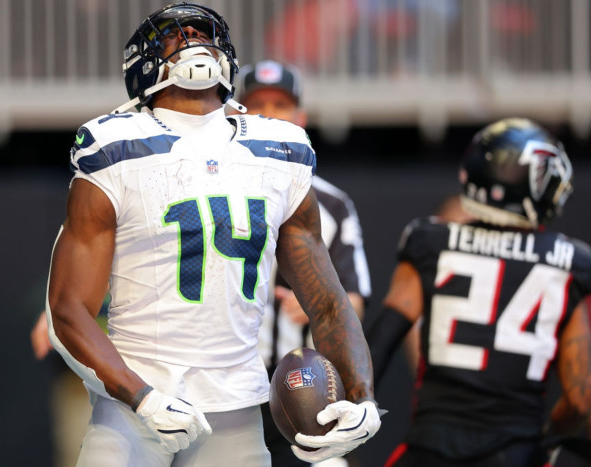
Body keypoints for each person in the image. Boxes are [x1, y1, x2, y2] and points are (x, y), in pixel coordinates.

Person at [45, 3, 382, 466]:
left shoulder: (281, 149)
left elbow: (326, 301)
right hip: (132, 409)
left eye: (203, 34)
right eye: (176, 35)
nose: (192, 40)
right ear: (143, 64)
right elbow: (67, 309)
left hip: (235, 411)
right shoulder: (114, 145)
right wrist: (141, 396)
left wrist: (363, 397)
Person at [366, 118, 591, 467]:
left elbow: (375, 349)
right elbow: (580, 401)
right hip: (515, 453)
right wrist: (547, 438)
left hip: (431, 449)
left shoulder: (430, 241)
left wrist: (349, 423)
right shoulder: (570, 263)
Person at [234, 59, 372, 467]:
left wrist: (313, 301)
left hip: (304, 385)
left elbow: (352, 301)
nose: (268, 115)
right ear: (235, 115)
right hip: (230, 382)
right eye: (258, 104)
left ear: (301, 118)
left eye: (280, 105)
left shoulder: (332, 204)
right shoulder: (210, 190)